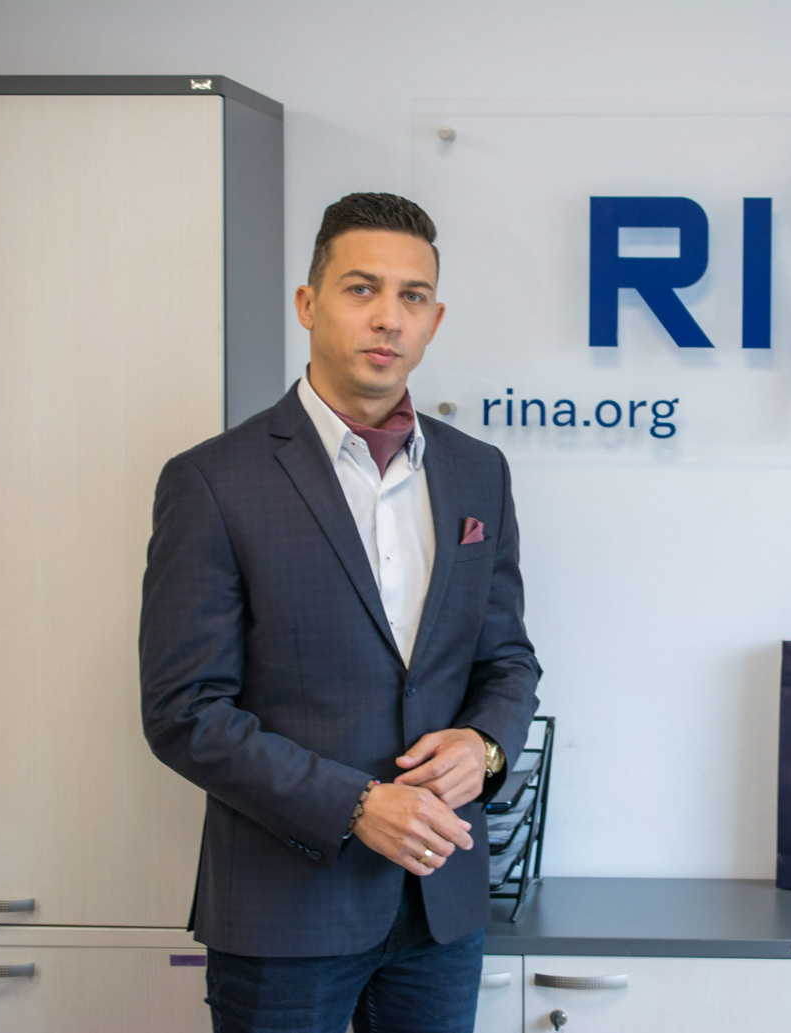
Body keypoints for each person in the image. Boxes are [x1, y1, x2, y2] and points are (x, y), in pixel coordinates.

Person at [139, 192, 541, 1033]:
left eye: (412, 296)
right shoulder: (212, 480)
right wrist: (358, 804)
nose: (388, 317)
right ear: (308, 303)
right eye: (362, 289)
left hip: (440, 905)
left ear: (434, 320)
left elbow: (507, 659)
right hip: (285, 910)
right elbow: (186, 712)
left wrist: (484, 745)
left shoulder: (479, 472)